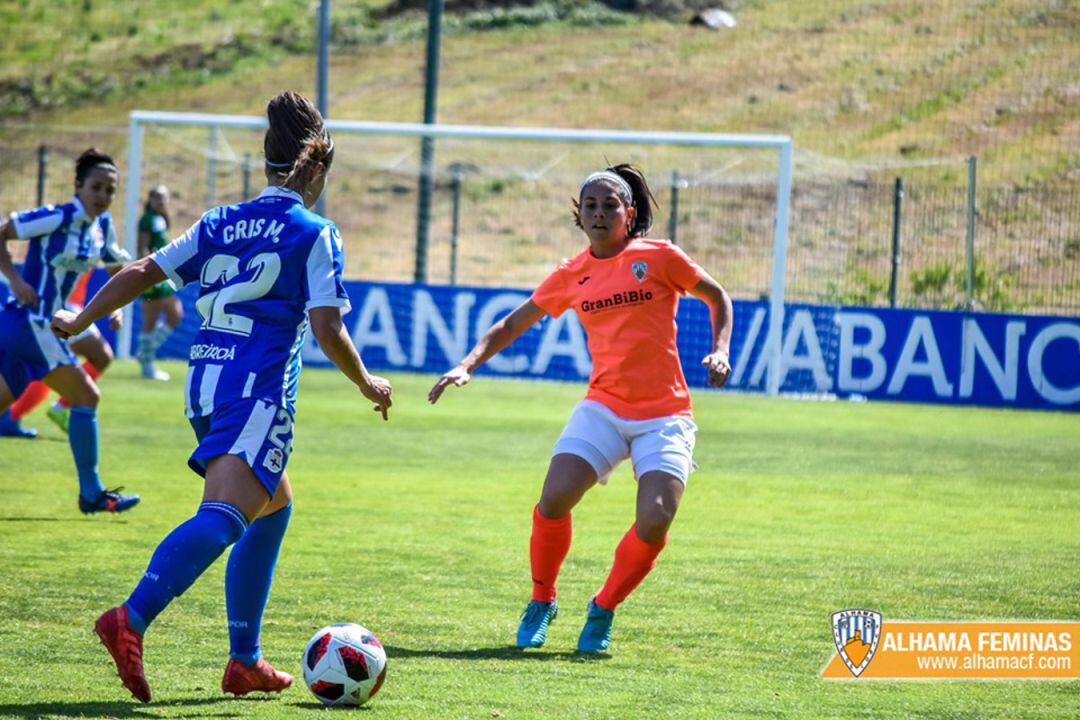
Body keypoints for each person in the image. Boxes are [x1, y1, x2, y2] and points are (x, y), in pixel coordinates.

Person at [52, 91, 393, 703]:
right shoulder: (315, 232)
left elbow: (138, 272)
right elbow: (326, 328)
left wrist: (81, 320)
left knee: (273, 506)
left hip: (205, 389)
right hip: (257, 394)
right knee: (226, 517)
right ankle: (131, 616)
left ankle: (245, 660)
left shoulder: (219, 222)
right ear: (314, 169)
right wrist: (368, 382)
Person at [429, 164, 733, 653]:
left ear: (629, 214)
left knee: (655, 520)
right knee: (554, 499)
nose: (599, 213)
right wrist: (467, 364)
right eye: (590, 205)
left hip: (665, 415)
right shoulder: (572, 274)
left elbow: (717, 296)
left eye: (610, 205)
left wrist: (721, 350)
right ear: (579, 215)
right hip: (604, 408)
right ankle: (542, 599)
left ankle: (604, 606)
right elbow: (510, 325)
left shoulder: (660, 258)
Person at [0, 148, 140, 514]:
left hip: (36, 327)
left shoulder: (102, 228)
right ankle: (92, 493)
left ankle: (92, 492)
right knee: (87, 396)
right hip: (30, 322)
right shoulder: (55, 216)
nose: (103, 196)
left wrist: (119, 308)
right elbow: (2, 233)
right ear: (78, 186)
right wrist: (14, 280)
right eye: (96, 187)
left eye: (110, 190)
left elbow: (119, 270)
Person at [3, 271, 119, 436]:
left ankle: (12, 417)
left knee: (49, 366)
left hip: (67, 306)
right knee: (100, 356)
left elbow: (116, 268)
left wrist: (117, 307)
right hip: (58, 307)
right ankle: (52, 408)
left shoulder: (101, 246)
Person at [136, 185, 183, 381]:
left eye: (164, 198)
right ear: (151, 199)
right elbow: (143, 249)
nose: (161, 201)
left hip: (163, 274)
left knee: (176, 314)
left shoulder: (162, 219)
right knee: (151, 320)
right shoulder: (146, 220)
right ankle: (146, 364)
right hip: (153, 275)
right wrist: (149, 276)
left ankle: (145, 353)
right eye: (157, 198)